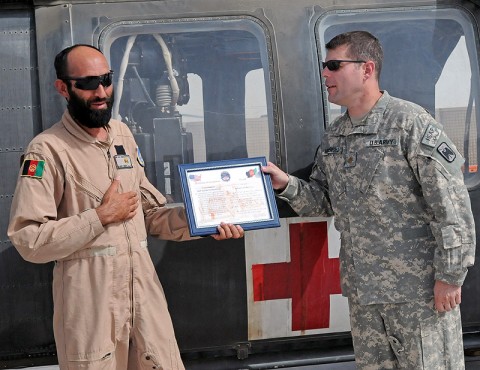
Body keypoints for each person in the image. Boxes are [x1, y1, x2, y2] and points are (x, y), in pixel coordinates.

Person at [7, 44, 244, 370]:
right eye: (88, 83)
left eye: (106, 80)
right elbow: (29, 240)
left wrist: (202, 221)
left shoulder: (122, 135)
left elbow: (148, 214)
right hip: (91, 305)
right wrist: (100, 217)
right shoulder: (47, 151)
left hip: (144, 298)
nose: (101, 92)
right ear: (63, 87)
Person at [263, 31, 475, 369]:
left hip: (418, 294)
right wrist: (286, 184)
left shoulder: (410, 124)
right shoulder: (336, 136)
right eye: (324, 65)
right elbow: (325, 201)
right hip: (365, 296)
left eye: (334, 65)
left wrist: (450, 277)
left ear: (366, 69)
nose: (325, 74)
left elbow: (452, 207)